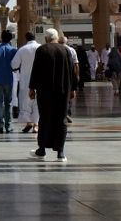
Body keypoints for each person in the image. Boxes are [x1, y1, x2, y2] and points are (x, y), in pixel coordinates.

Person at [28, 28, 75, 163]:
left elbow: (36, 70)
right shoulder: (66, 50)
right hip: (63, 90)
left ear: (46, 38)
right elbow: (72, 70)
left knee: (45, 118)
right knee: (61, 119)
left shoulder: (42, 50)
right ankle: (60, 153)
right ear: (56, 37)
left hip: (45, 91)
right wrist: (73, 88)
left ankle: (41, 149)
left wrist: (32, 88)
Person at [11, 32, 40, 134]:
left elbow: (14, 64)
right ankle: (36, 125)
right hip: (39, 80)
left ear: (26, 39)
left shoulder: (22, 49)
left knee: (25, 102)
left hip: (26, 80)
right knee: (38, 102)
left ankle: (29, 123)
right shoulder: (41, 48)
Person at [0, 29, 17, 134]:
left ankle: (0, 124)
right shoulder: (13, 50)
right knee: (8, 103)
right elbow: (15, 66)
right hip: (9, 79)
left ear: (1, 37)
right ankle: (8, 125)